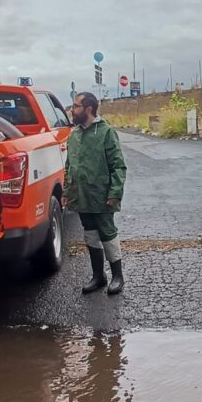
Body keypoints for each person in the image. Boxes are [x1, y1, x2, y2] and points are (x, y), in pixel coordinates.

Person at [63, 92, 127, 295]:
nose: (72, 110)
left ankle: (118, 276)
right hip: (81, 195)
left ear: (88, 109)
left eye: (76, 106)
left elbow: (118, 166)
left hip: (101, 194)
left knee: (107, 234)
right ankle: (98, 276)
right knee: (90, 234)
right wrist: (66, 191)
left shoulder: (106, 132)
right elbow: (69, 165)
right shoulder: (74, 134)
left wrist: (115, 192)